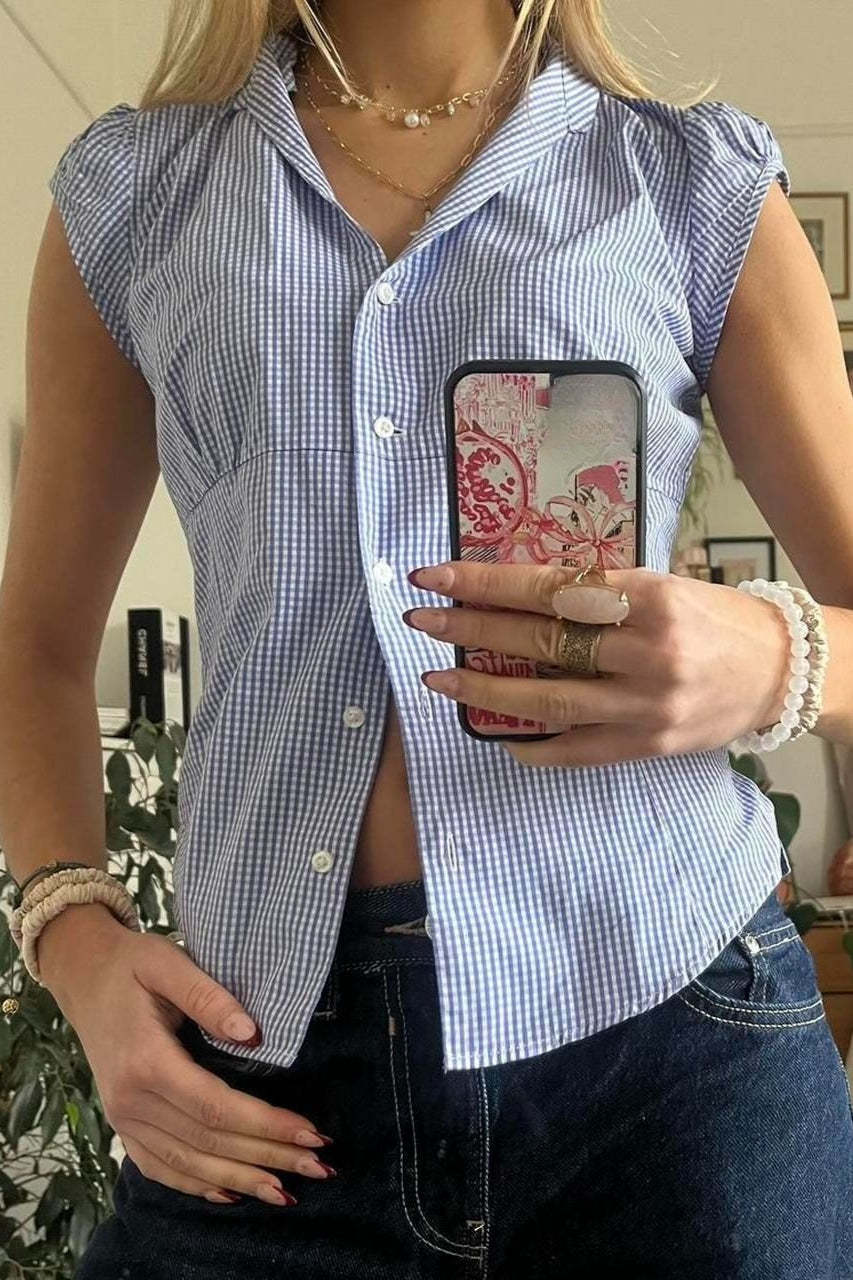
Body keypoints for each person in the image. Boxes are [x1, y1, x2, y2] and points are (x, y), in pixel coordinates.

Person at [3, 0, 853, 1275]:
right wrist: (74, 942)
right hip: (259, 1070)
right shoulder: (136, 195)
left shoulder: (689, 182)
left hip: (672, 1044)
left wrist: (772, 658)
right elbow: (33, 648)